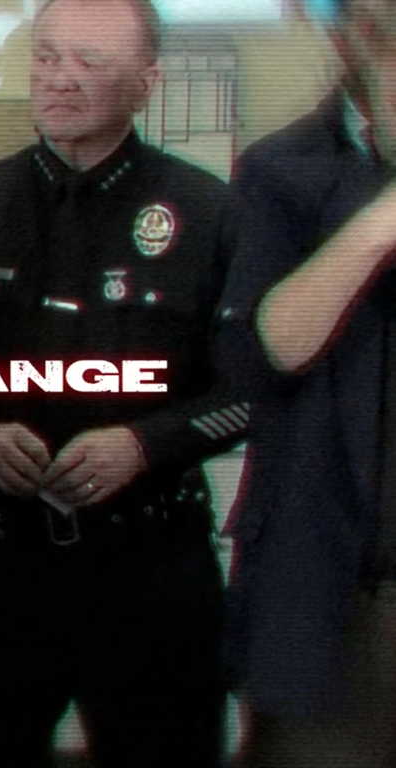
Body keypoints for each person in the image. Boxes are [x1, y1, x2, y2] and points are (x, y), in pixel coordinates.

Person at [0, 0, 245, 765]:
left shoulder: (208, 214)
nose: (59, 79)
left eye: (88, 62)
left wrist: (144, 445)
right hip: (0, 564)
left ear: (146, 82)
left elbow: (250, 389)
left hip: (151, 562)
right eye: (46, 57)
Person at [219, 1, 396, 764]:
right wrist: (377, 227)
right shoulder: (280, 170)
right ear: (349, 43)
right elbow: (262, 354)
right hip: (332, 595)